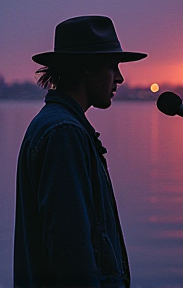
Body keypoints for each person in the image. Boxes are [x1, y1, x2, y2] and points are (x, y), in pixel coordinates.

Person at [14, 16, 147, 288]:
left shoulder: (59, 126)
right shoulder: (64, 132)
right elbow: (70, 248)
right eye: (112, 66)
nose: (119, 77)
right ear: (87, 68)